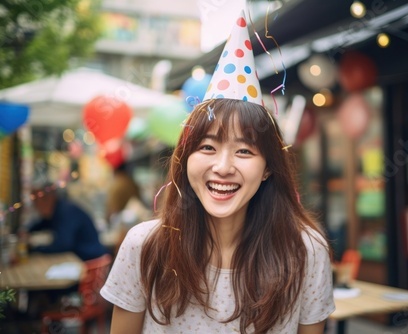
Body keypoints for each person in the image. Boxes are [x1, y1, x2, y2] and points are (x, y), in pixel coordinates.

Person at [101, 11, 335, 334]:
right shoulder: (145, 246)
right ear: (185, 159)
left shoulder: (306, 251)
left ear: (268, 168)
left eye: (244, 151)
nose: (223, 168)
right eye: (208, 148)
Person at [27, 182, 108, 261]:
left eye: (36, 201)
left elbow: (63, 244)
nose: (35, 206)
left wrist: (35, 249)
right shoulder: (58, 209)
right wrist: (27, 231)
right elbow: (44, 223)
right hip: (81, 257)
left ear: (49, 198)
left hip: (90, 258)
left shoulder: (66, 212)